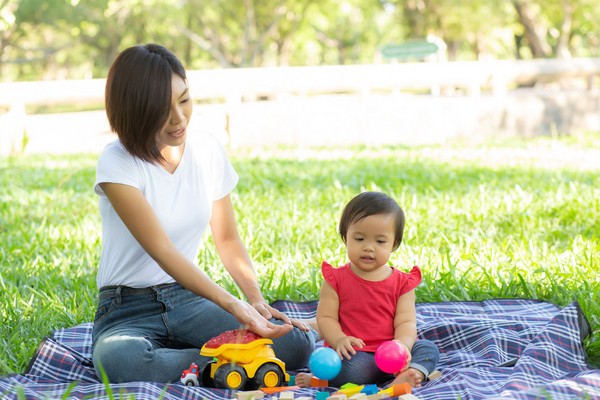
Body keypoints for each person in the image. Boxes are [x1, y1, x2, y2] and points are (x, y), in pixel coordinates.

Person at [91, 43, 317, 383]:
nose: (179, 118)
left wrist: (254, 300)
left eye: (184, 100)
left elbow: (226, 239)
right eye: (161, 109)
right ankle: (230, 362)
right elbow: (163, 250)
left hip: (188, 300)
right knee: (119, 361)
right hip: (126, 309)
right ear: (135, 110)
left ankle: (216, 364)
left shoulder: (206, 150)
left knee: (296, 346)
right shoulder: (117, 162)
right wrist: (233, 306)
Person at [296, 191, 439, 388]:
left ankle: (411, 371)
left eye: (380, 241)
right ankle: (327, 379)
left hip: (392, 353)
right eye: (359, 239)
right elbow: (326, 318)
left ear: (394, 244)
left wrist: (402, 347)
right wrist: (339, 340)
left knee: (427, 348)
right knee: (348, 369)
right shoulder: (335, 280)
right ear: (346, 238)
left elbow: (406, 321)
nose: (368, 247)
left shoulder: (403, 283)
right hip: (357, 354)